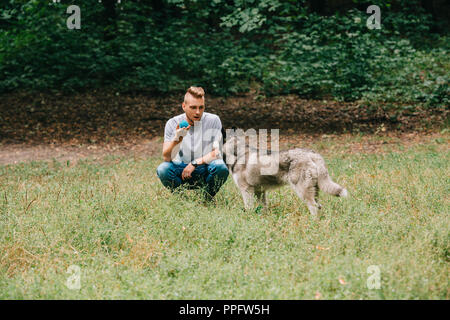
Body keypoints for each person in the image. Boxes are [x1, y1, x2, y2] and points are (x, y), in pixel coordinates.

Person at [156, 86, 229, 201]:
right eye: (193, 107)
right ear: (183, 106)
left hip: (204, 168)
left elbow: (217, 152)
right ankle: (183, 201)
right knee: (163, 169)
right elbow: (166, 157)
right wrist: (177, 139)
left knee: (221, 166)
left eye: (201, 107)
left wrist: (194, 163)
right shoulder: (172, 123)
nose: (197, 112)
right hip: (180, 169)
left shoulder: (213, 120)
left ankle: (207, 198)